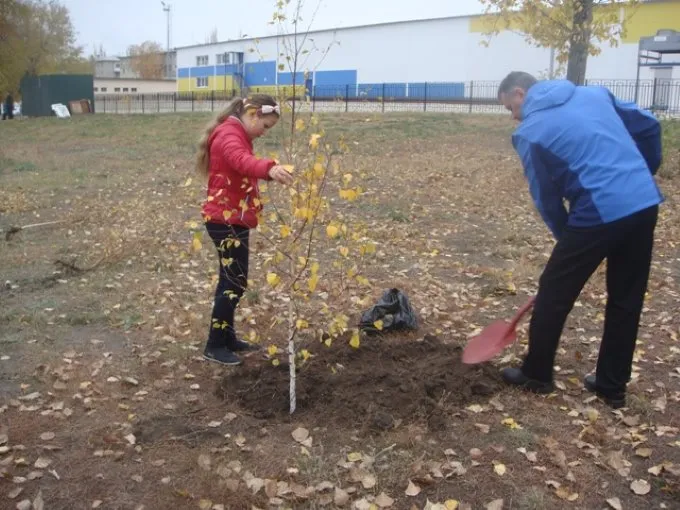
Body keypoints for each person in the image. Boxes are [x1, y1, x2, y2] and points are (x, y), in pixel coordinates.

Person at [497, 71, 663, 408]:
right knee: (625, 297)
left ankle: (537, 373)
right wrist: (639, 174)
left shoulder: (530, 132)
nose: (512, 116)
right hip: (643, 201)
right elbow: (649, 126)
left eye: (508, 107)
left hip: (599, 209)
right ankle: (611, 385)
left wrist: (566, 238)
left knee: (553, 291)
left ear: (519, 93)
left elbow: (546, 197)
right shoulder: (594, 94)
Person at [196, 94, 294, 366]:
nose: (264, 133)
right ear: (252, 113)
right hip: (224, 220)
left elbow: (241, 166)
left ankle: (226, 337)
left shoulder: (237, 133)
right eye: (265, 126)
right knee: (233, 282)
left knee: (232, 281)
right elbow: (241, 161)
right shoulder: (229, 134)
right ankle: (214, 345)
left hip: (230, 218)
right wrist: (269, 169)